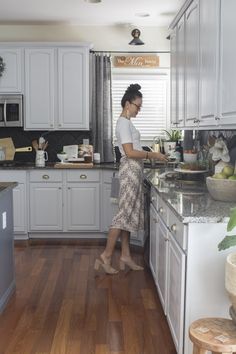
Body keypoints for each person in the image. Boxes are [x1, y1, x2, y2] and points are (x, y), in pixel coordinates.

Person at [94, 83, 168, 274]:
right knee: (122, 216)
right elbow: (128, 151)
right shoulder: (123, 123)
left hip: (134, 171)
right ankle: (106, 256)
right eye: (138, 105)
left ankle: (125, 256)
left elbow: (133, 148)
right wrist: (153, 155)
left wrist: (148, 154)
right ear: (128, 104)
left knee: (126, 216)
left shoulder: (127, 122)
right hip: (129, 171)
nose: (139, 109)